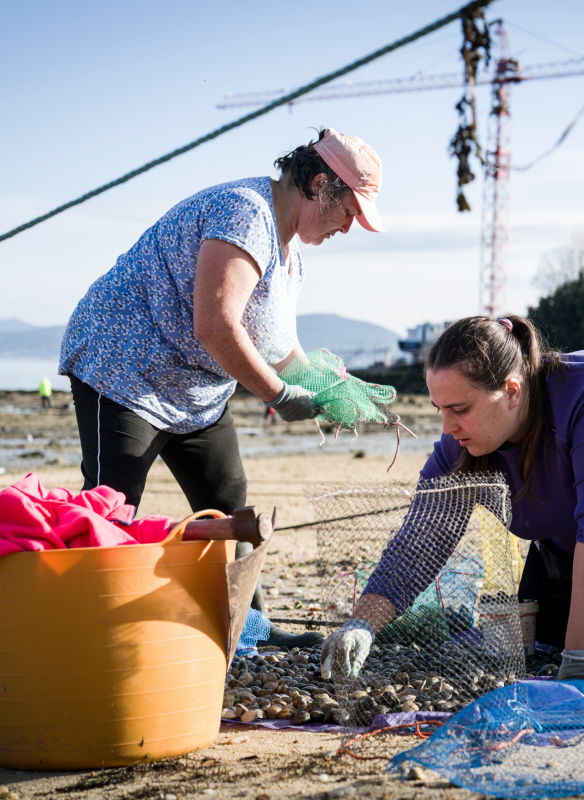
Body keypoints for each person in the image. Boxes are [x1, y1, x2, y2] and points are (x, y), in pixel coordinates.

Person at [59, 128, 384, 648]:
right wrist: (279, 396)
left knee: (231, 507)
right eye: (350, 212)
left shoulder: (290, 254)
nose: (350, 226)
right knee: (110, 507)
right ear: (321, 184)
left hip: (195, 390)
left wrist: (332, 389)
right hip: (124, 370)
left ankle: (247, 630)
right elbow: (215, 324)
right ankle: (84, 633)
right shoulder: (246, 211)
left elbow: (282, 350)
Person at [321, 314, 584, 684]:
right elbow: (422, 539)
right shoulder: (464, 441)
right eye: (440, 410)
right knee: (542, 638)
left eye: (461, 409)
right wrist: (363, 624)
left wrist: (581, 664)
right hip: (575, 531)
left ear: (511, 390)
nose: (448, 427)